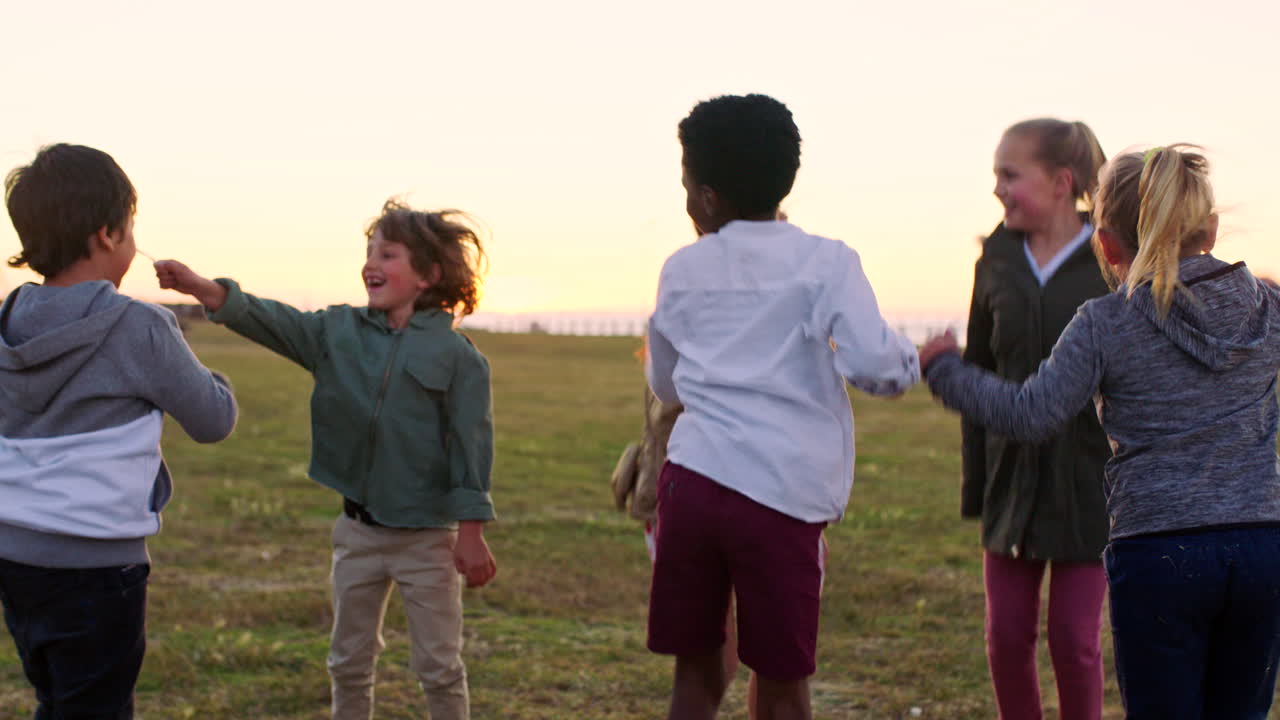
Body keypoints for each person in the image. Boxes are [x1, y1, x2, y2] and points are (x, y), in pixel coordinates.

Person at [921, 144, 1280, 719]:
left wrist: (943, 369)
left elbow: (1031, 413)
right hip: (1263, 547)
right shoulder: (1268, 307)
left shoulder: (1106, 322)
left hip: (1159, 554)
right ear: (1210, 230)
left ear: (1107, 244)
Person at [154, 199, 497, 720]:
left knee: (439, 666)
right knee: (348, 660)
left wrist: (470, 533)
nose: (371, 264)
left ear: (428, 274)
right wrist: (204, 289)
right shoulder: (338, 332)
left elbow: (472, 449)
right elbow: (274, 321)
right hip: (357, 532)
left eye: (388, 254)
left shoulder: (460, 358)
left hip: (427, 541)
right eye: (368, 252)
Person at [645, 93, 919, 720]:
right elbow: (876, 367)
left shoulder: (680, 269)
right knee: (781, 677)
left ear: (707, 197)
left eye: (687, 186)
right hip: (779, 499)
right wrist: (914, 359)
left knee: (694, 671)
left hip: (689, 488)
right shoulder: (827, 263)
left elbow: (667, 384)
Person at [0, 143, 239, 718]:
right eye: (131, 227)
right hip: (98, 567)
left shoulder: (7, 319)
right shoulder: (141, 325)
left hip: (13, 555)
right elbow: (213, 420)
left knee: (55, 697)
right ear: (108, 234)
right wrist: (211, 370)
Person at [963, 118, 1111, 720]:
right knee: (1005, 640)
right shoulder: (994, 261)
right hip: (1011, 485)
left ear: (1060, 182)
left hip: (1091, 487)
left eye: (1009, 174)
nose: (998, 188)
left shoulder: (1112, 261)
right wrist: (979, 484)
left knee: (1075, 645)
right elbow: (976, 372)